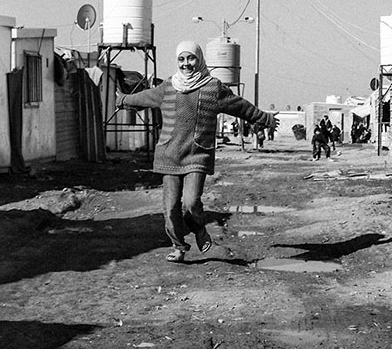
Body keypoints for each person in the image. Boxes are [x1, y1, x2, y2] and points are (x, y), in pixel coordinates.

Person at [118, 40, 276, 263]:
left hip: (196, 155)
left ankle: (199, 229)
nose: (186, 64)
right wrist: (123, 99)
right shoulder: (168, 87)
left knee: (192, 202)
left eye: (190, 58)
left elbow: (239, 106)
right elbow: (143, 97)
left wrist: (266, 118)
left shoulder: (213, 87)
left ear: (199, 59)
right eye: (181, 59)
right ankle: (179, 246)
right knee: (170, 208)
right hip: (169, 156)